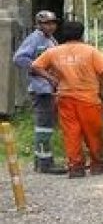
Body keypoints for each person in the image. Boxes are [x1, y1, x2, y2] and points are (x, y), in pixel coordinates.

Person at [30, 21, 103, 178]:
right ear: (81, 34)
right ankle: (97, 164)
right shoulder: (90, 51)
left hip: (65, 98)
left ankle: (75, 167)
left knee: (71, 133)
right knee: (93, 132)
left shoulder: (54, 52)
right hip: (89, 98)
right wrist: (101, 90)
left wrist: (51, 79)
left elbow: (35, 66)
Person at [12, 10, 66, 174]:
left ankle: (40, 160)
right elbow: (19, 58)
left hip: (50, 88)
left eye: (53, 23)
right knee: (43, 126)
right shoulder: (35, 38)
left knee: (47, 124)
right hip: (40, 88)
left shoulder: (51, 40)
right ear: (39, 24)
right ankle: (45, 163)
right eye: (47, 23)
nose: (51, 26)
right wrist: (41, 71)